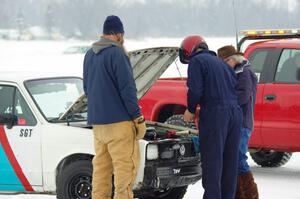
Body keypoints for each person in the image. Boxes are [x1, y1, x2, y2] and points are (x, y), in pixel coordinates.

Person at [83, 15, 146, 199]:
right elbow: (127, 90)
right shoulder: (117, 53)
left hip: (98, 126)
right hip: (120, 125)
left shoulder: (89, 54)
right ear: (118, 34)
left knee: (101, 172)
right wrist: (137, 118)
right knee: (124, 173)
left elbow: (87, 88)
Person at [180, 35, 242, 199]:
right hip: (235, 114)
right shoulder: (223, 64)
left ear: (190, 51)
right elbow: (231, 87)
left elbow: (195, 90)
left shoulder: (197, 61)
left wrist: (191, 109)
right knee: (229, 164)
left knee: (213, 164)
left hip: (216, 115)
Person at [218, 45, 259, 199]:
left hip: (242, 123)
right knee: (233, 160)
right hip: (236, 122)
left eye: (224, 62)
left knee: (239, 158)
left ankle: (250, 196)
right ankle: (237, 195)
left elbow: (243, 95)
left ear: (232, 59)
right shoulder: (235, 71)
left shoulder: (244, 72)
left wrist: (225, 101)